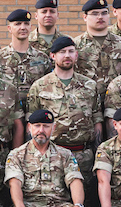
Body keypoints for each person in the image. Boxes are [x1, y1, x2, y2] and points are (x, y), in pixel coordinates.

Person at [26, 36, 103, 172]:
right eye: (62, 52)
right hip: (51, 156)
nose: (67, 55)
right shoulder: (39, 86)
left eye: (71, 51)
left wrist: (98, 154)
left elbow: (96, 120)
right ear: (53, 56)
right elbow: (31, 124)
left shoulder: (89, 86)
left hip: (83, 156)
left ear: (76, 55)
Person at [75, 0, 121, 87]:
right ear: (85, 17)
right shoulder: (76, 45)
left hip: (116, 94)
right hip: (87, 94)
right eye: (95, 14)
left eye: (104, 13)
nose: (100, 17)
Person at [0, 8, 53, 95]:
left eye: (26, 24)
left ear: (30, 27)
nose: (23, 27)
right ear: (9, 28)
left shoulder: (42, 58)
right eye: (18, 24)